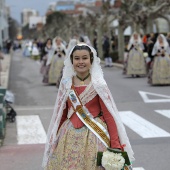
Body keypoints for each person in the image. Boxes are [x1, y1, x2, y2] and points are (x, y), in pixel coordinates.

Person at [42, 43, 135, 169]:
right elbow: (61, 114)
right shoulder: (66, 83)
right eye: (77, 58)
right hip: (68, 134)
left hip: (95, 135)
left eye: (84, 58)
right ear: (71, 61)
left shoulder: (98, 84)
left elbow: (108, 115)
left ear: (91, 60)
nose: (81, 62)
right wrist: (55, 139)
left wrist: (115, 144)